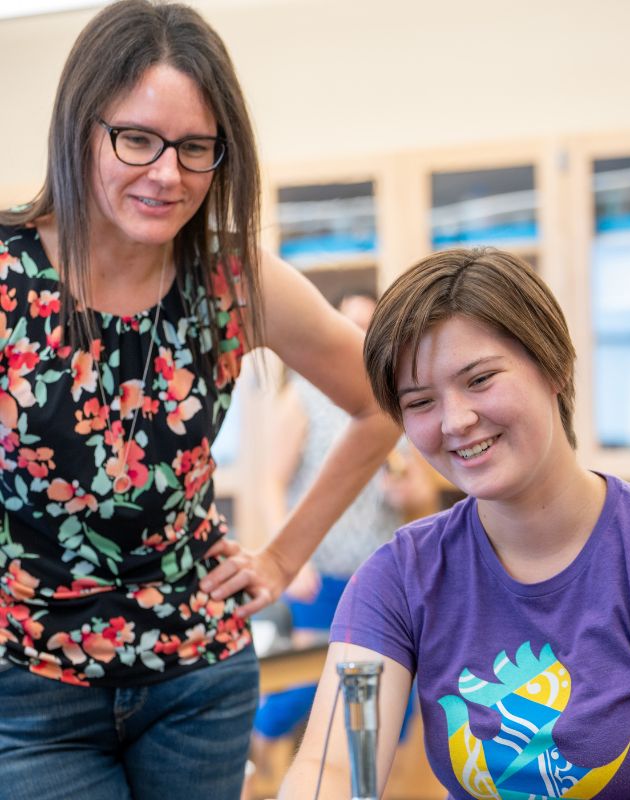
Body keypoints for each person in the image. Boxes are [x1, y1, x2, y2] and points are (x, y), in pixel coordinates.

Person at [0, 2, 398, 799]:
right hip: (32, 694)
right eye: (138, 139)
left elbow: (382, 403)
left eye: (196, 148)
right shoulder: (9, 279)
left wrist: (283, 556)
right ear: (82, 127)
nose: (168, 175)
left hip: (198, 682)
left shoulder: (234, 279)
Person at [279, 247, 630, 800]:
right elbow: (336, 766)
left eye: (481, 379)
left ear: (554, 364)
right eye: (420, 401)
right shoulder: (397, 578)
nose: (456, 420)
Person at [251, 293, 433, 756]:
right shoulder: (304, 398)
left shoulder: (400, 402)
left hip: (381, 575)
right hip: (323, 573)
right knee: (312, 680)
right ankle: (251, 744)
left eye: (368, 327)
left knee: (394, 697)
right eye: (348, 325)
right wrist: (290, 559)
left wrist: (408, 493)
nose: (358, 337)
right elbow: (270, 483)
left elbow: (425, 497)